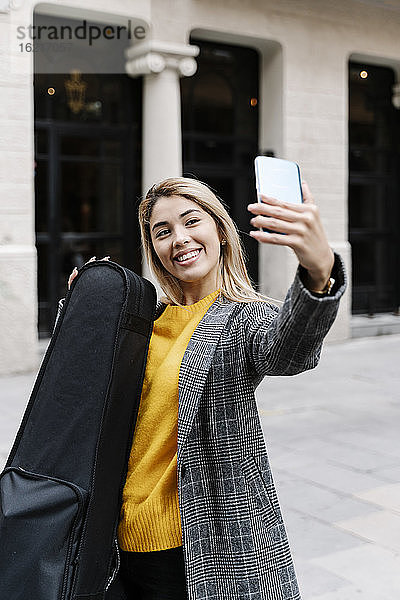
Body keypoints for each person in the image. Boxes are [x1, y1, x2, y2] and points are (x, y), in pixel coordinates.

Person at [64, 176, 347, 600]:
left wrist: (319, 270)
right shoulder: (142, 321)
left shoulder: (242, 320)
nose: (179, 239)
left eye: (191, 221)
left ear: (219, 229)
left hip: (199, 548)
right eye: (163, 231)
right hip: (116, 545)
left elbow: (291, 350)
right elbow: (81, 400)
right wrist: (83, 318)